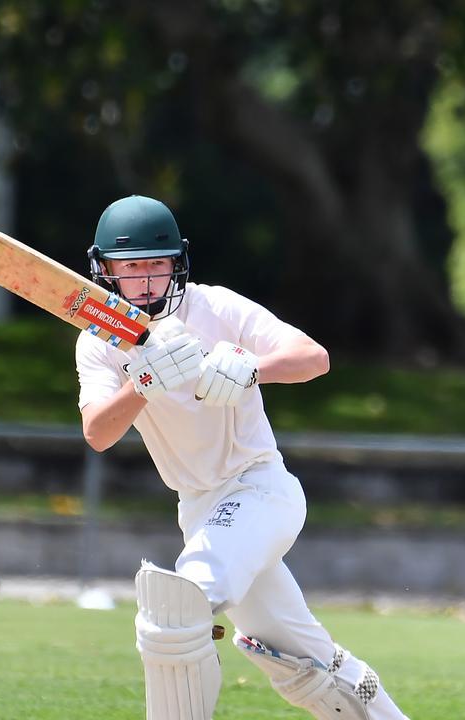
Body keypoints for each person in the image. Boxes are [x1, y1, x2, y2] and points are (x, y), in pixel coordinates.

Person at [75, 195, 410, 720]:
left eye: (157, 265)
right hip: (199, 511)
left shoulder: (216, 307)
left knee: (176, 607)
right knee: (307, 662)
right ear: (106, 271)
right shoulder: (98, 344)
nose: (145, 282)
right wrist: (144, 382)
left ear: (177, 265)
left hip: (259, 489)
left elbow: (313, 359)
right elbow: (98, 432)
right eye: (131, 266)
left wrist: (250, 367)